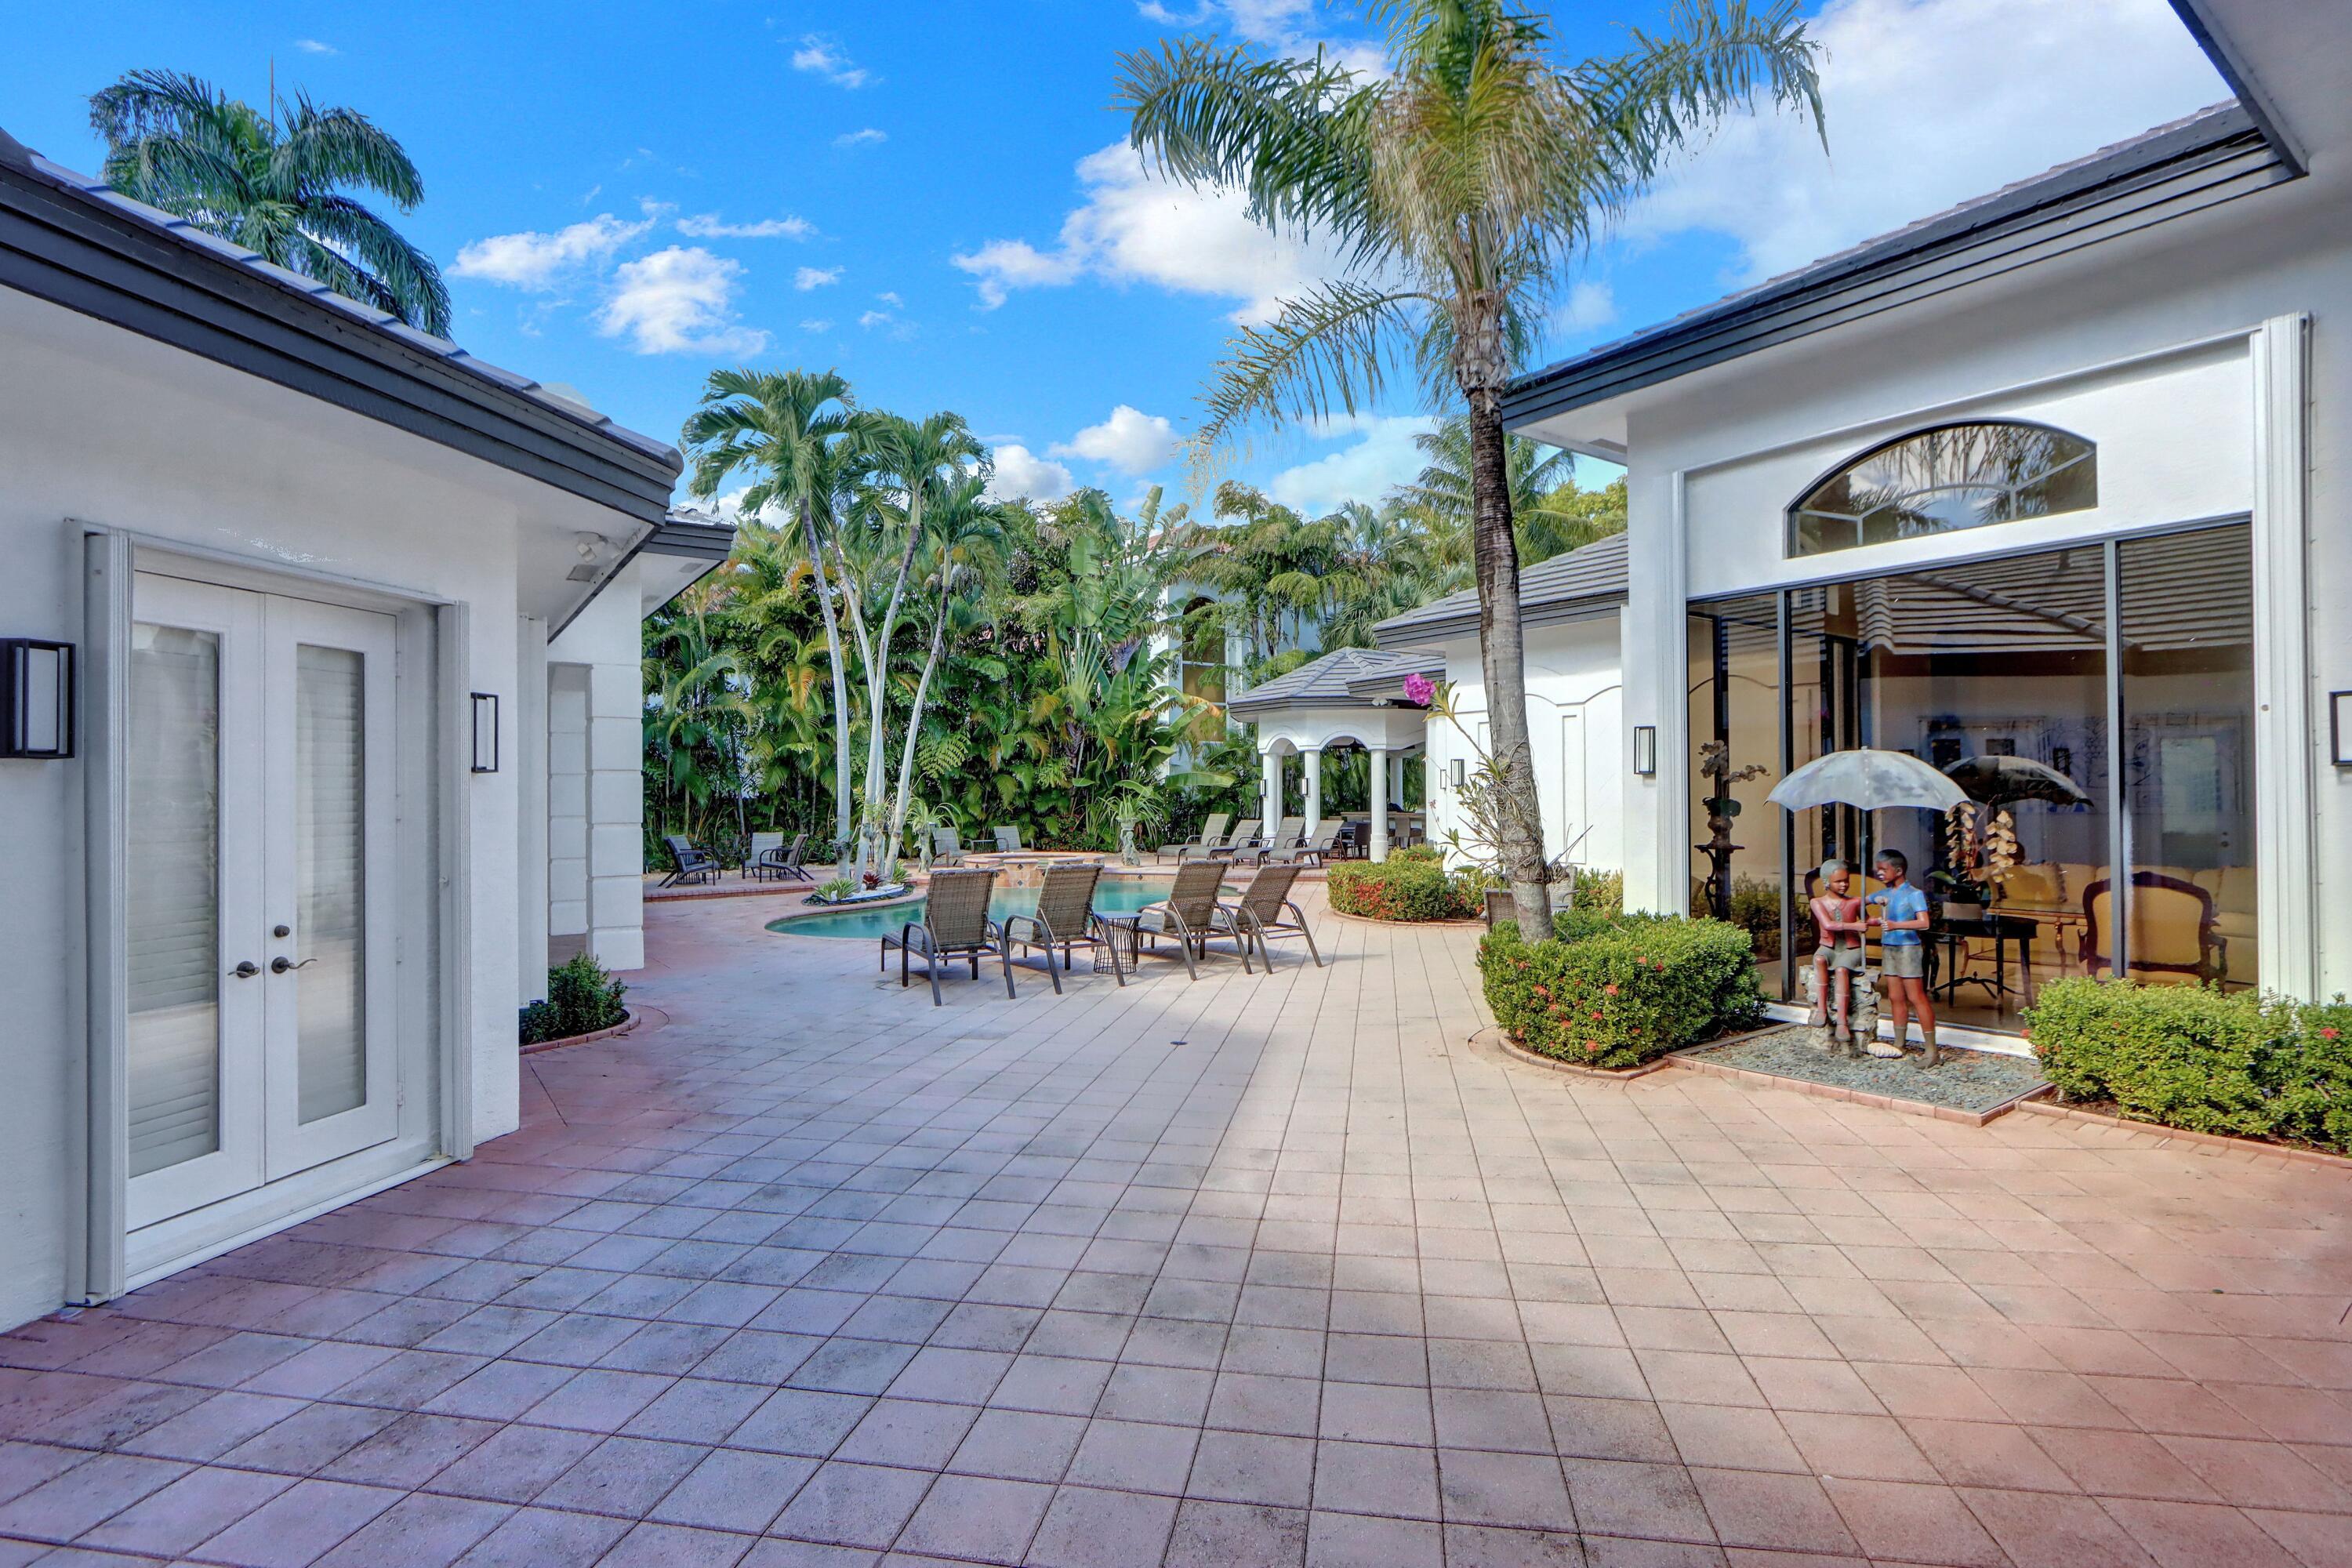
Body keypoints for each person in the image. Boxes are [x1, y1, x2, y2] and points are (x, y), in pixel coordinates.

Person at [1867, 848, 1936, 1065]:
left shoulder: (1914, 894)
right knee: (1896, 997)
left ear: (1898, 870)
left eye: (1883, 869)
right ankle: (1899, 1044)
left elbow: (1924, 923)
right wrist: (1870, 917)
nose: (1879, 873)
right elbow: (1859, 902)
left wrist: (1897, 925)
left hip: (1908, 949)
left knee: (1916, 997)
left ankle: (1931, 1051)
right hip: (1889, 948)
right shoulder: (1884, 894)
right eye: (1877, 869)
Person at [1806, 860, 1868, 1052]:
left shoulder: (1855, 901)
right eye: (1838, 881)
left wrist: (1878, 920)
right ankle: (1822, 1011)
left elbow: (1865, 919)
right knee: (1819, 960)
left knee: (1842, 970)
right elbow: (1828, 925)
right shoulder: (1817, 902)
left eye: (1846, 881)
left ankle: (1842, 1021)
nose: (1843, 885)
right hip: (1829, 947)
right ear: (1827, 882)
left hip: (1850, 948)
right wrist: (1854, 926)